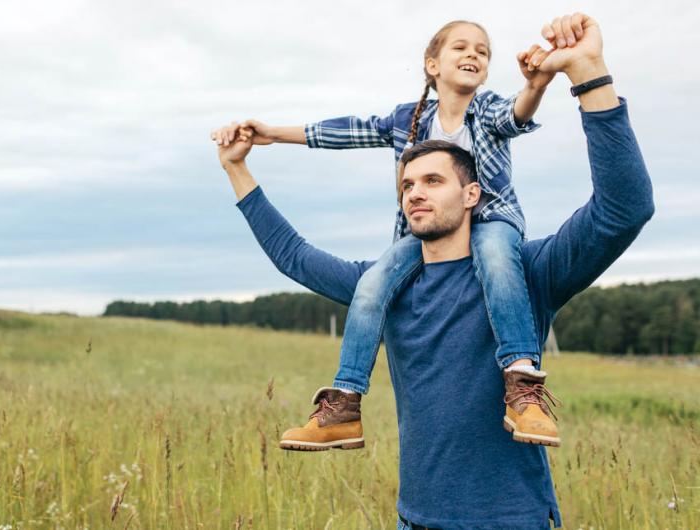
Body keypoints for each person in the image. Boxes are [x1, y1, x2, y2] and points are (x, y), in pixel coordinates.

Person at [216, 14, 654, 529]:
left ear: (472, 194)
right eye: (407, 185)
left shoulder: (527, 271)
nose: (416, 192)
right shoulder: (385, 285)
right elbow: (293, 255)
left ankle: (524, 388)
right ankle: (342, 404)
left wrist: (589, 74)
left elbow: (624, 208)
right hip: (415, 520)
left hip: (509, 520)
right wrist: (237, 169)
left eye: (433, 180)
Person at [212, 19, 562, 450]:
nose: (473, 55)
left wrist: (539, 84)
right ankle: (345, 403)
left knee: (495, 257)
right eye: (461, 48)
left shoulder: (487, 109)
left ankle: (522, 385)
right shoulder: (408, 120)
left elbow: (518, 112)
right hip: (420, 241)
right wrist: (272, 136)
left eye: (483, 51)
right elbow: (347, 132)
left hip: (492, 221)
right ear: (432, 65)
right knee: (372, 283)